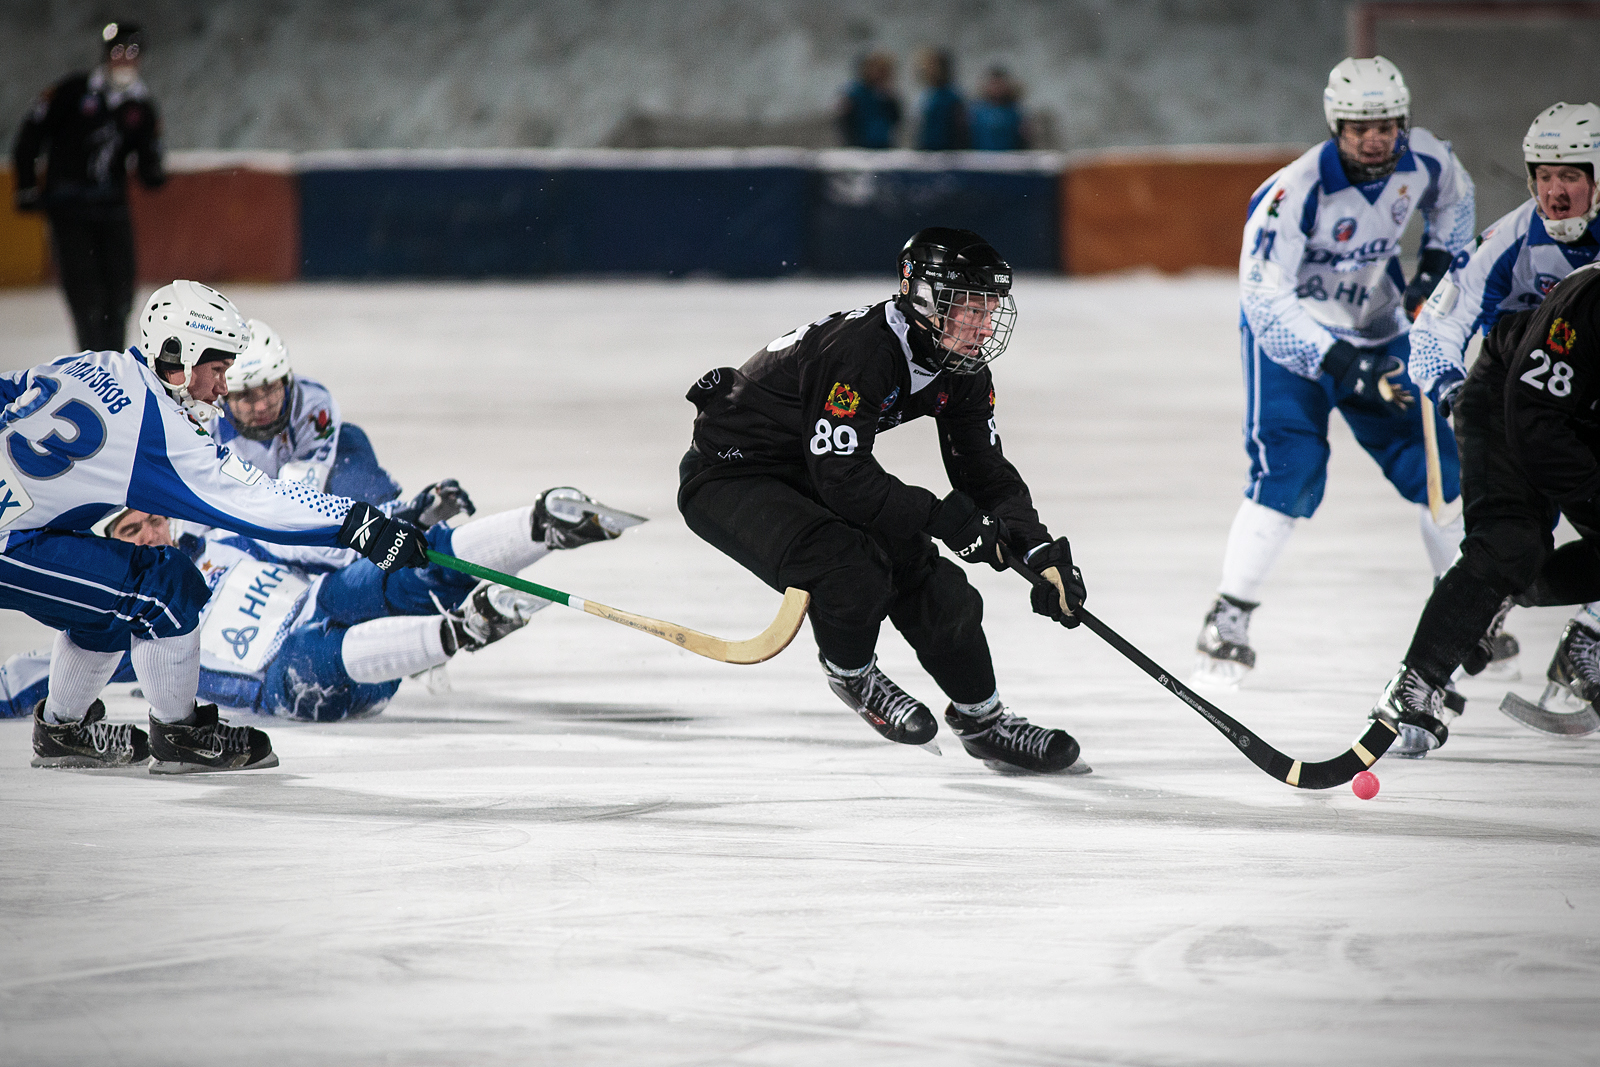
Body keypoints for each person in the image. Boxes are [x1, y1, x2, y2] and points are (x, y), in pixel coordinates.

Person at [678, 227, 1087, 774]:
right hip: (731, 476)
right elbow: (843, 476)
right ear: (920, 296)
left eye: (989, 307)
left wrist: (1040, 553)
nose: (982, 324)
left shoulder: (960, 368)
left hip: (810, 468)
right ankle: (851, 672)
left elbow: (985, 471)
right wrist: (941, 517)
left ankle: (984, 722)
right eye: (965, 306)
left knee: (937, 585)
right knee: (850, 566)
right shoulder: (861, 352)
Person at [1, 280, 431, 773]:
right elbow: (255, 500)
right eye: (218, 370)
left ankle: (63, 731)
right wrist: (356, 521)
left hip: (21, 532)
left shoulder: (93, 365)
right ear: (178, 355)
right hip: (11, 542)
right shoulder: (158, 429)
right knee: (166, 584)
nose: (224, 389)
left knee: (112, 601)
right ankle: (181, 737)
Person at [1193, 56, 1476, 686]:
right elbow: (1263, 297)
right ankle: (1229, 611)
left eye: (1386, 125)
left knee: (1438, 463)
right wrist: (1345, 364)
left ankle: (1464, 609)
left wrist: (1434, 268)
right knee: (1290, 470)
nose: (1374, 138)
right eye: (1359, 127)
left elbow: (1457, 202)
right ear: (1336, 125)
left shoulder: (1426, 159)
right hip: (1289, 338)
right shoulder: (1292, 192)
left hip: (1378, 325)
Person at [0, 487, 634, 723]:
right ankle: (461, 632)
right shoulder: (130, 623)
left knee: (393, 577)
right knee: (316, 661)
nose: (151, 537)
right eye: (131, 534)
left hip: (317, 598)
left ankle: (543, 523)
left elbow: (311, 541)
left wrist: (402, 521)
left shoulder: (219, 534)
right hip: (281, 674)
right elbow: (36, 674)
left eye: (150, 523)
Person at [1407, 101, 1600, 689]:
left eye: (1569, 175)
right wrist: (1450, 389)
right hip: (1519, 404)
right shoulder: (1513, 237)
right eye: (1543, 175)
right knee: (1506, 546)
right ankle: (1428, 674)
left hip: (1583, 411)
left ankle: (1584, 633)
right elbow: (1432, 326)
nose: (1553, 192)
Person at [1371, 263, 1600, 756]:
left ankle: (1558, 624)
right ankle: (1413, 684)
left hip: (1575, 421)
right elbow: (1537, 420)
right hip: (1507, 405)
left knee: (1517, 564)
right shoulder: (1588, 300)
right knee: (1509, 543)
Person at [11, 21, 165, 353]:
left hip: (112, 208)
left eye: (133, 52)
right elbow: (31, 134)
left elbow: (147, 161)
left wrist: (153, 167)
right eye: (118, 51)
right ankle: (91, 360)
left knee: (120, 294)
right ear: (106, 55)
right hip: (70, 208)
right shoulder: (73, 92)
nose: (125, 59)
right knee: (86, 296)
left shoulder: (140, 105)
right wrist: (25, 184)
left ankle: (114, 361)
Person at [216, 318, 410, 506]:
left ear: (286, 380)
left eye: (269, 388)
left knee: (349, 440)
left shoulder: (313, 406)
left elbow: (300, 505)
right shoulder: (202, 424)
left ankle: (386, 516)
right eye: (245, 395)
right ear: (223, 395)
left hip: (296, 502)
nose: (261, 406)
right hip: (247, 520)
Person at [837, 52, 902, 149]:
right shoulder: (853, 92)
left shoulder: (886, 94)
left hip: (883, 145)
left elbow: (896, 119)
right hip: (860, 146)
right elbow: (844, 122)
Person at [914, 49, 967, 151]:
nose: (929, 70)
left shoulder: (952, 96)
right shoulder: (925, 95)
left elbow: (959, 130)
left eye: (933, 66)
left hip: (946, 153)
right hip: (926, 151)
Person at [968, 67, 1028, 152]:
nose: (997, 88)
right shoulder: (976, 112)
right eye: (994, 84)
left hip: (1009, 159)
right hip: (981, 160)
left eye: (1000, 84)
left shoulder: (1015, 112)